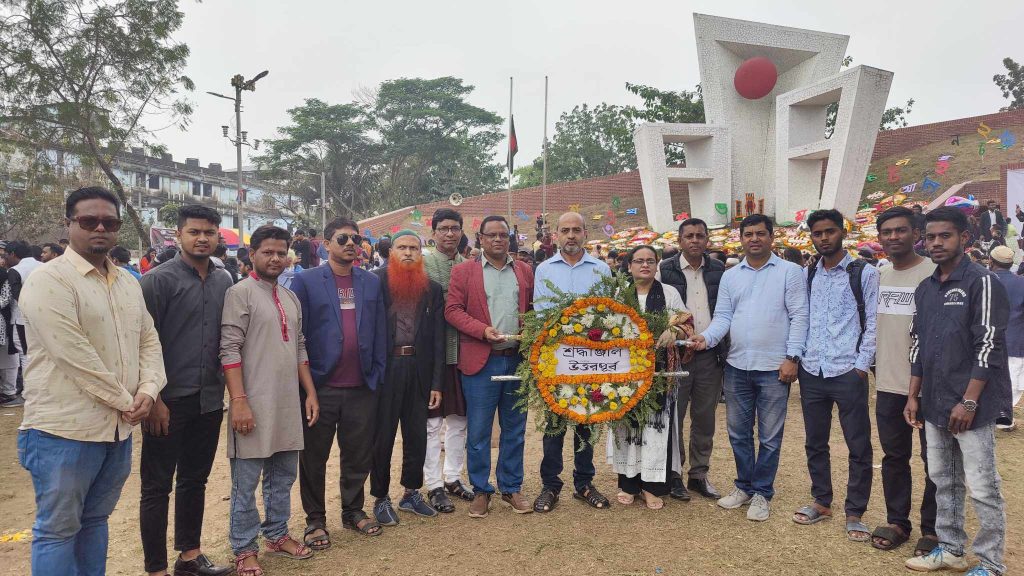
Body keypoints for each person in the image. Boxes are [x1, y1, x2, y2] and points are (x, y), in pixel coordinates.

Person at [17, 186, 166, 575]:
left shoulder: (128, 282)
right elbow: (73, 355)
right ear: (69, 224)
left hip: (116, 432)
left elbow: (148, 340)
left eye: (110, 222)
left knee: (96, 521)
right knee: (57, 530)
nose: (100, 228)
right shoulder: (50, 280)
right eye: (88, 221)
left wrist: (149, 390)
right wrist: (127, 400)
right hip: (63, 431)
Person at [903, 206, 1012, 576]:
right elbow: (917, 344)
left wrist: (969, 401)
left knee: (982, 486)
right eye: (930, 236)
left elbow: (989, 346)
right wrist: (913, 395)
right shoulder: (925, 287)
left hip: (971, 405)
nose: (935, 243)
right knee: (943, 479)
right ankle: (950, 549)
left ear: (964, 238)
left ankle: (991, 562)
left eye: (944, 236)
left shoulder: (981, 282)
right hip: (934, 401)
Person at [691, 214, 808, 522]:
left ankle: (762, 492)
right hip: (737, 365)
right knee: (739, 434)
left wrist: (792, 357)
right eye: (748, 234)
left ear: (772, 237)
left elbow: (799, 316)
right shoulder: (732, 275)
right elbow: (724, 317)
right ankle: (743, 486)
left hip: (775, 368)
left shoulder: (790, 272)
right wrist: (705, 338)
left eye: (760, 234)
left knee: (770, 436)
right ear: (740, 239)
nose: (754, 239)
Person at [138, 205, 234, 576]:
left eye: (209, 232)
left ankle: (189, 557)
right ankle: (156, 568)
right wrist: (154, 400)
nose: (202, 238)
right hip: (167, 401)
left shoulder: (225, 280)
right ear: (178, 235)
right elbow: (142, 344)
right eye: (194, 232)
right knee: (156, 486)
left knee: (195, 479)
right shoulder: (157, 282)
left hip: (209, 399)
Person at [220, 224, 320, 576]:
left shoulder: (289, 297)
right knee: (244, 483)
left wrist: (309, 392)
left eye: (281, 253)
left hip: (287, 403)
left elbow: (300, 347)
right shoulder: (240, 293)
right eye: (268, 252)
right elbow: (229, 349)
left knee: (283, 477)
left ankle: (277, 534)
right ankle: (244, 548)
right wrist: (239, 401)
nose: (276, 258)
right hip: (252, 402)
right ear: (252, 255)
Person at [292, 218, 387, 546]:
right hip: (321, 387)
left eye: (355, 238)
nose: (350, 243)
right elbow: (298, 335)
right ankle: (315, 520)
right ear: (326, 244)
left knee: (358, 453)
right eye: (342, 238)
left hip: (362, 385)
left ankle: (353, 511)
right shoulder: (305, 281)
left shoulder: (371, 282)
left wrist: (377, 372)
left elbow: (380, 331)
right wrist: (306, 388)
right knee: (314, 456)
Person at [791, 209, 879, 542]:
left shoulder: (864, 273)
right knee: (815, 441)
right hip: (812, 369)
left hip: (847, 370)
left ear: (842, 232)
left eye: (829, 231)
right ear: (811, 237)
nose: (824, 238)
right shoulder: (807, 274)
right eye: (817, 233)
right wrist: (798, 359)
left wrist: (861, 364)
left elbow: (872, 322)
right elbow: (802, 319)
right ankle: (821, 501)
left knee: (858, 444)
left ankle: (855, 511)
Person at [445, 215, 535, 518]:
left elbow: (532, 310)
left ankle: (511, 487)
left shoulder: (523, 271)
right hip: (480, 362)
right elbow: (453, 310)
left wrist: (531, 330)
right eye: (491, 235)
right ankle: (482, 490)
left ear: (509, 239)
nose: (498, 240)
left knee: (515, 428)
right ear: (480, 238)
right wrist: (482, 330)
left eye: (503, 235)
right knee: (479, 431)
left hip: (516, 359)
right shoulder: (463, 272)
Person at [533, 212, 613, 513]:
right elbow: (542, 314)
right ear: (555, 234)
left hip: (591, 361)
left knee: (586, 421)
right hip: (556, 359)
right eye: (564, 230)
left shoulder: (601, 269)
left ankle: (584, 483)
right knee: (554, 425)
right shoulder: (544, 270)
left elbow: (607, 313)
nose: (570, 236)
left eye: (576, 230)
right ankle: (550, 485)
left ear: (585, 234)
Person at [870, 206, 939, 555]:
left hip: (930, 387)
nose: (893, 237)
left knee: (935, 461)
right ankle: (898, 520)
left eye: (901, 230)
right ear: (880, 238)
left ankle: (933, 529)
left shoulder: (934, 274)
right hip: (888, 384)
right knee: (894, 456)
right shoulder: (878, 275)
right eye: (887, 232)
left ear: (917, 234)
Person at [369, 231, 446, 525]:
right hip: (386, 369)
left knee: (416, 435)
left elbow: (439, 338)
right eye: (402, 247)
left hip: (419, 369)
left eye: (414, 247)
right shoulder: (375, 282)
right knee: (383, 436)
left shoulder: (432, 289)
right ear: (392, 252)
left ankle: (411, 493)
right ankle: (380, 497)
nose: (409, 253)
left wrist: (436, 383)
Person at [608, 245, 689, 510]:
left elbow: (687, 322)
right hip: (625, 372)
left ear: (657, 265)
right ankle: (628, 484)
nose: (645, 265)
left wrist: (675, 331)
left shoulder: (669, 293)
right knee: (627, 426)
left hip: (660, 371)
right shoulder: (619, 293)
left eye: (650, 261)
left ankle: (652, 487)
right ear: (629, 265)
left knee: (657, 427)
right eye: (639, 261)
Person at [657, 218, 726, 501]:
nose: (695, 240)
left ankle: (699, 473)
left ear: (707, 239)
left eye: (700, 235)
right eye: (689, 236)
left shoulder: (720, 270)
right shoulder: (664, 270)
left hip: (710, 353)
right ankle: (674, 474)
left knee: (705, 417)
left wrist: (711, 338)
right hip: (677, 355)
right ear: (680, 240)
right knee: (674, 414)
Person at [422, 209, 474, 513]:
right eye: (443, 229)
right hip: (431, 354)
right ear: (434, 232)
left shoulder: (470, 266)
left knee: (459, 419)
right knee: (432, 423)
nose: (450, 234)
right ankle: (433, 483)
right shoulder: (422, 264)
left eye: (455, 228)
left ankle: (453, 477)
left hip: (465, 350)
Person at [989, 245, 1024, 431]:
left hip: (985, 341)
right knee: (1013, 381)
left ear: (991, 262)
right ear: (1011, 264)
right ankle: (1004, 417)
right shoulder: (1021, 283)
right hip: (1015, 340)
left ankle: (999, 417)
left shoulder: (985, 280)